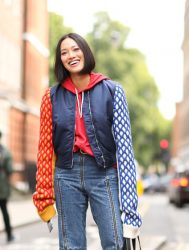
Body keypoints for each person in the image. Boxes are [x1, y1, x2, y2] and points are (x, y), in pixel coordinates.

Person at [32, 32, 142, 250]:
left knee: (115, 242)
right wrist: (44, 194)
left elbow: (125, 150)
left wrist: (130, 211)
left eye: (75, 49)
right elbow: (45, 147)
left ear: (85, 52)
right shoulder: (51, 97)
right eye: (64, 52)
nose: (70, 55)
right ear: (60, 59)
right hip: (66, 175)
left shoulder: (113, 91)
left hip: (103, 175)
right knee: (71, 246)